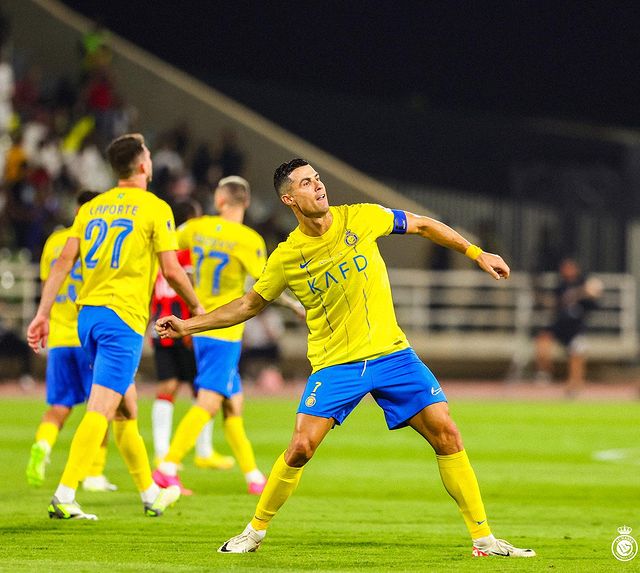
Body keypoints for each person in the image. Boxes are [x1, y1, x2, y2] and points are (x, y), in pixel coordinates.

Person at [155, 158, 536, 558]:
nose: (318, 186)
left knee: (447, 434)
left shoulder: (362, 217)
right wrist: (187, 325)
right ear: (289, 198)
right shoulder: (287, 256)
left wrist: (475, 252)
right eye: (306, 182)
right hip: (337, 364)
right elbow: (249, 304)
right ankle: (253, 532)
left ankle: (484, 539)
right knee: (301, 446)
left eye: (317, 178)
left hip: (393, 355)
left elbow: (422, 224)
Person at [27, 133, 204, 520]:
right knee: (102, 407)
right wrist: (196, 308)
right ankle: (65, 492)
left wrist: (42, 312)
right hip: (121, 319)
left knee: (125, 409)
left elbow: (63, 264)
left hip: (86, 317)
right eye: (149, 155)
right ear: (143, 165)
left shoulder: (93, 207)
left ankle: (150, 494)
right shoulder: (155, 208)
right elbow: (172, 270)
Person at [153, 176, 302, 495]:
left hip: (201, 321)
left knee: (233, 403)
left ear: (219, 201)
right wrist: (293, 305)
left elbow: (164, 245)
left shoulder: (197, 228)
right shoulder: (248, 240)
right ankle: (168, 466)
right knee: (208, 402)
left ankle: (252, 476)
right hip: (226, 329)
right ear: (246, 202)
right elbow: (265, 284)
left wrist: (190, 276)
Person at [26, 190, 117, 492]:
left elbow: (48, 282)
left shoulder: (54, 242)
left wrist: (44, 316)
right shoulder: (100, 237)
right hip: (89, 334)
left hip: (59, 337)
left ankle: (43, 445)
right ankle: (94, 472)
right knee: (102, 407)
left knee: (59, 406)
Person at [150, 199, 234, 475]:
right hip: (188, 328)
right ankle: (198, 451)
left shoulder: (160, 252)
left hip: (161, 326)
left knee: (169, 387)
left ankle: (168, 453)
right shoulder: (191, 255)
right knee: (205, 391)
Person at [534, 257, 602, 396]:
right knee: (543, 339)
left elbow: (594, 301)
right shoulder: (561, 286)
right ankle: (544, 372)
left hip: (576, 329)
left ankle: (574, 385)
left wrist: (582, 293)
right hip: (560, 326)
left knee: (577, 352)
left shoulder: (583, 284)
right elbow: (555, 305)